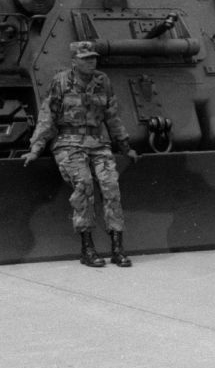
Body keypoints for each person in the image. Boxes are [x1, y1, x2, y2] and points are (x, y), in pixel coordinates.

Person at [23, 40, 136, 268]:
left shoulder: (102, 81)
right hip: (69, 143)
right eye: (86, 59)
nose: (91, 61)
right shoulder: (61, 82)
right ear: (74, 61)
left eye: (93, 57)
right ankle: (88, 249)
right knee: (83, 185)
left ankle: (117, 249)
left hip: (98, 142)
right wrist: (36, 148)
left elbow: (112, 116)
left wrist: (125, 146)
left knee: (110, 186)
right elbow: (48, 117)